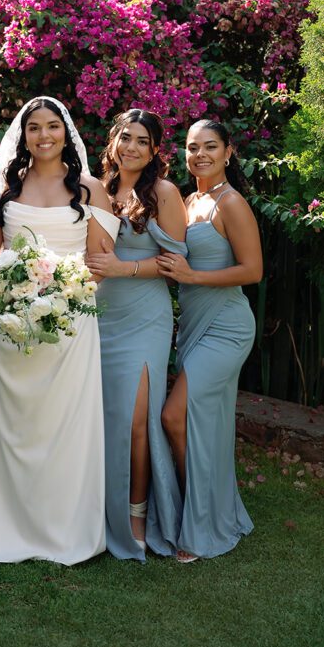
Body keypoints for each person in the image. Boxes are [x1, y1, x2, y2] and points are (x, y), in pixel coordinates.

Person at [0, 97, 120, 565]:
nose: (44, 135)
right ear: (23, 134)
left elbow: (100, 266)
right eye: (34, 128)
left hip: (68, 330)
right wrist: (10, 297)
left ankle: (62, 532)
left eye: (52, 126)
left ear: (66, 133)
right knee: (11, 428)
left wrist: (60, 297)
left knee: (62, 429)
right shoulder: (8, 187)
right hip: (7, 328)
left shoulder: (91, 190)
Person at [158, 119, 263, 562]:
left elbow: (253, 270)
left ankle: (201, 519)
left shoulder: (231, 203)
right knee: (203, 421)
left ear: (228, 152)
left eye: (210, 147)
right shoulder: (189, 200)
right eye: (192, 147)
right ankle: (211, 507)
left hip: (227, 326)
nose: (199, 154)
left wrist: (192, 275)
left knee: (174, 416)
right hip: (196, 326)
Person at [87, 109, 186, 561]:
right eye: (126, 137)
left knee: (136, 422)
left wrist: (123, 267)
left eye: (142, 141)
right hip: (100, 314)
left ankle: (137, 514)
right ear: (113, 140)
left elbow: (173, 268)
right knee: (102, 418)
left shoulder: (163, 193)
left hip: (145, 317)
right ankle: (95, 509)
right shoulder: (96, 189)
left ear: (154, 151)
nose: (131, 147)